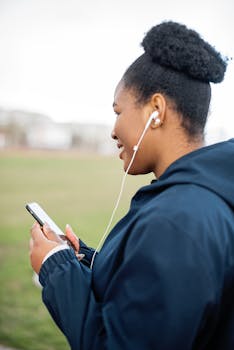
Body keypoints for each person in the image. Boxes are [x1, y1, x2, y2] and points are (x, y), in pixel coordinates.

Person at [29, 21, 234, 350]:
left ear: (156, 110)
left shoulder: (177, 220)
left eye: (118, 111)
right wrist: (81, 259)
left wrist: (55, 268)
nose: (113, 130)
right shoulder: (195, 201)